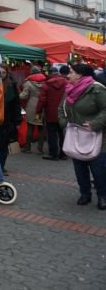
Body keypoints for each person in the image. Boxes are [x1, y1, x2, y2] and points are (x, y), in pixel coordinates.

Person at [58, 64, 106, 211]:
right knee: (79, 168)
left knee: (98, 170)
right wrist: (65, 124)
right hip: (75, 135)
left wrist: (95, 123)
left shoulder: (97, 89)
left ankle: (102, 196)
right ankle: (85, 193)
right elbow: (61, 109)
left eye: (71, 72)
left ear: (80, 74)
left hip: (97, 136)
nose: (68, 75)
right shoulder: (69, 89)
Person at [36, 67, 68, 160]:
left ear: (49, 73)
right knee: (62, 133)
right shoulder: (66, 83)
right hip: (63, 113)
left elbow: (42, 100)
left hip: (50, 113)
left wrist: (38, 111)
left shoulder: (46, 84)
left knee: (52, 134)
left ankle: (53, 154)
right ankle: (63, 154)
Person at [0, 63, 21, 174]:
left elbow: (16, 103)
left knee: (3, 146)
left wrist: (17, 120)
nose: (1, 74)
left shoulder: (11, 85)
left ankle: (0, 166)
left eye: (4, 72)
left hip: (7, 121)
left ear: (7, 73)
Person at [20, 66, 46, 154]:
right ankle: (40, 148)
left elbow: (24, 96)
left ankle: (27, 148)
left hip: (32, 106)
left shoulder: (28, 83)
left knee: (30, 127)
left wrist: (18, 95)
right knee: (40, 127)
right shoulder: (45, 81)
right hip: (41, 106)